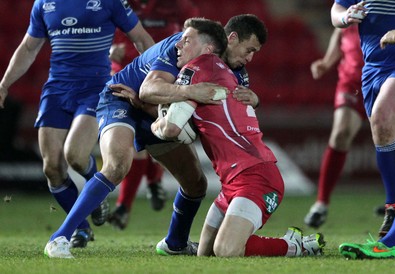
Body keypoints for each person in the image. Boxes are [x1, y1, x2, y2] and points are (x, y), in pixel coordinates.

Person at [42, 14, 263, 259]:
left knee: (195, 183)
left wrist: (255, 99)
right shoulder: (181, 47)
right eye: (249, 49)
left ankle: (175, 244)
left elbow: (230, 111)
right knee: (117, 166)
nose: (250, 58)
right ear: (232, 38)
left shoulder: (235, 70)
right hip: (122, 99)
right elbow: (148, 89)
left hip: (155, 113)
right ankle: (59, 238)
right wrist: (190, 92)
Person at [150, 21, 326, 258]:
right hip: (232, 181)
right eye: (249, 50)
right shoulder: (221, 71)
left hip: (256, 177)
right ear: (230, 38)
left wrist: (154, 122)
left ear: (207, 46)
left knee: (226, 250)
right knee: (206, 253)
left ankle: (294, 245)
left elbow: (170, 129)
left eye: (187, 40)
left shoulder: (200, 68)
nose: (178, 45)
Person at [0, 0, 154, 249]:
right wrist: (5, 83)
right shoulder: (44, 4)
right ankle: (82, 228)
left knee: (76, 156)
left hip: (95, 89)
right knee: (52, 168)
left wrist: (154, 78)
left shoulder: (108, 2)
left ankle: (95, 188)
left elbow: (142, 40)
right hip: (57, 91)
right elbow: (29, 47)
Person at [107, 0, 200, 229]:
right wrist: (108, 52)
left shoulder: (179, 6)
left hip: (164, 79)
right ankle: (126, 205)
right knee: (138, 144)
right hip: (127, 78)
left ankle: (149, 184)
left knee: (157, 131)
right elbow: (98, 35)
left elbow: (199, 31)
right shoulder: (121, 5)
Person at [330, 1, 395, 259]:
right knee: (383, 131)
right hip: (373, 68)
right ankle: (394, 206)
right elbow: (336, 11)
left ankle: (393, 241)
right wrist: (345, 16)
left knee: (383, 117)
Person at [304, 25, 366, 228]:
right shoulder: (351, 4)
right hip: (353, 82)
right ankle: (321, 203)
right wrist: (328, 60)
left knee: (392, 137)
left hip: (388, 77)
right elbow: (340, 26)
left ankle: (393, 201)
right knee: (341, 133)